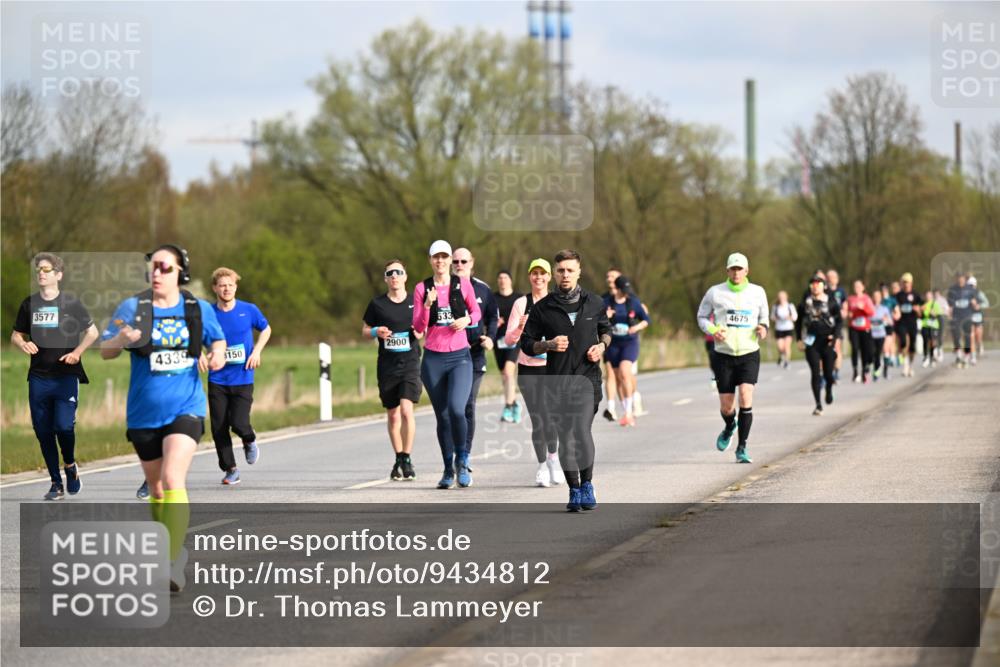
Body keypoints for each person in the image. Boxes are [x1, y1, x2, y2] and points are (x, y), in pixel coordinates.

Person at [101, 244, 226, 592]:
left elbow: (218, 343)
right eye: (152, 267)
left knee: (173, 478)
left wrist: (215, 358)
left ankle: (171, 561)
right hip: (143, 412)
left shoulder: (196, 309)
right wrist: (123, 339)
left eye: (163, 267)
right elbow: (106, 350)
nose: (156, 273)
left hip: (186, 406)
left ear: (180, 272)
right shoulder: (132, 308)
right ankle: (169, 551)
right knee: (156, 488)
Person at [520, 249, 611, 511]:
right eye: (561, 270)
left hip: (587, 379)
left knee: (581, 431)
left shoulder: (594, 303)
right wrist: (547, 344)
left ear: (579, 271)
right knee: (566, 436)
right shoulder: (542, 308)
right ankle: (573, 490)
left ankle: (587, 485)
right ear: (554, 273)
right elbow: (526, 344)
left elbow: (605, 331)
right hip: (557, 382)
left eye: (570, 270)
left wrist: (601, 347)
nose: (565, 274)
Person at [11, 253, 100, 500]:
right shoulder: (29, 304)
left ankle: (70, 465)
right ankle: (55, 483)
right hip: (38, 377)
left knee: (63, 426)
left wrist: (77, 352)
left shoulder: (71, 303)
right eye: (39, 269)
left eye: (47, 269)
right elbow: (16, 335)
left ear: (58, 275)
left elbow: (92, 332)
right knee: (43, 431)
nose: (41, 273)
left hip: (65, 375)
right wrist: (23, 344)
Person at [412, 240, 481, 490]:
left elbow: (476, 313)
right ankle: (447, 468)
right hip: (433, 359)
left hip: (460, 357)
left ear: (450, 260)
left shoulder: (462, 284)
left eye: (444, 257)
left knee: (456, 410)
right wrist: (428, 305)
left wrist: (466, 320)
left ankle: (462, 461)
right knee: (442, 416)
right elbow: (419, 329)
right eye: (436, 257)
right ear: (430, 260)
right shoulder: (422, 288)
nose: (440, 261)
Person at [696, 252, 769, 463]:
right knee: (727, 407)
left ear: (747, 271)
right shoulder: (715, 293)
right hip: (724, 354)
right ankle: (730, 425)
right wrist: (712, 329)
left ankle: (742, 448)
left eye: (740, 269)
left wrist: (763, 328)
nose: (736, 273)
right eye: (733, 269)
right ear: (727, 271)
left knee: (746, 397)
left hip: (749, 353)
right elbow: (701, 317)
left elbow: (764, 318)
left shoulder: (757, 292)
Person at [504, 258, 564, 487]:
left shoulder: (557, 303)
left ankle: (553, 459)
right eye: (534, 273)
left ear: (550, 277)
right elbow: (509, 340)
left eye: (543, 273)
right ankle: (541, 466)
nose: (538, 277)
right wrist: (520, 326)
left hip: (553, 368)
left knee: (552, 419)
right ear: (529, 276)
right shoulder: (521, 303)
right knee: (539, 419)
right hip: (529, 369)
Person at [208, 267, 271, 485]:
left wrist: (257, 351)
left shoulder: (248, 309)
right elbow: (195, 333)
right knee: (218, 427)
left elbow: (266, 329)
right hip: (217, 378)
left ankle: (249, 438)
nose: (226, 289)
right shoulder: (209, 312)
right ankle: (231, 469)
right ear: (215, 288)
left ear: (236, 287)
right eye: (222, 285)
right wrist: (200, 353)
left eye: (230, 285)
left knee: (238, 422)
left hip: (243, 377)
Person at [363, 259, 422, 481]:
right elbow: (365, 329)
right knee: (393, 414)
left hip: (410, 364)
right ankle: (398, 456)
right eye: (390, 273)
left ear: (405, 276)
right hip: (387, 366)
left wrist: (419, 332)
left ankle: (407, 457)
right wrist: (375, 331)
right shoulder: (377, 304)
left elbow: (424, 325)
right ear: (386, 279)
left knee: (407, 410)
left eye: (399, 272)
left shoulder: (415, 303)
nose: (395, 276)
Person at [452, 247, 498, 484]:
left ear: (472, 263)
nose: (459, 264)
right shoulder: (442, 288)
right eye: (455, 261)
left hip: (474, 355)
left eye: (463, 261)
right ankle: (450, 458)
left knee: (467, 405)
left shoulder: (483, 289)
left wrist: (490, 337)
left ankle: (464, 458)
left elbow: (492, 317)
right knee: (451, 409)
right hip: (449, 355)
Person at [603, 275, 649, 427]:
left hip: (630, 343)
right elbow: (596, 320)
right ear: (616, 289)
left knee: (624, 371)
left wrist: (636, 327)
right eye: (623, 290)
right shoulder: (607, 302)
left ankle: (629, 412)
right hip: (613, 343)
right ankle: (625, 411)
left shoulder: (633, 302)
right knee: (616, 377)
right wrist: (605, 316)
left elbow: (646, 320)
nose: (626, 293)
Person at [796, 272, 842, 415]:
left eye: (818, 284)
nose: (815, 287)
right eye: (813, 285)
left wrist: (834, 337)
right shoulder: (805, 303)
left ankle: (828, 388)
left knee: (828, 374)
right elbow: (798, 322)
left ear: (823, 286)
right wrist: (798, 339)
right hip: (811, 341)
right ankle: (818, 404)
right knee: (815, 373)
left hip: (827, 341)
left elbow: (839, 321)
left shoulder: (831, 301)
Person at [493, 270, 523, 423]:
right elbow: (487, 318)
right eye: (500, 277)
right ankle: (514, 403)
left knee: (508, 371)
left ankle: (508, 406)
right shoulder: (493, 298)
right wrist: (493, 323)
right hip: (499, 341)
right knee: (504, 375)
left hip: (514, 339)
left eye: (505, 277)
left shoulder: (519, 298)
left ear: (510, 280)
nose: (502, 280)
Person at [601, 267, 622, 422]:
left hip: (627, 342)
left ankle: (631, 398)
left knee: (623, 375)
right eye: (608, 276)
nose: (609, 279)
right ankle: (611, 408)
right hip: (609, 339)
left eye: (613, 276)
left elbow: (641, 312)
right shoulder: (603, 299)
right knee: (610, 374)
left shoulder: (628, 296)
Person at [845, 280, 876, 383]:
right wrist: (849, 315)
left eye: (859, 286)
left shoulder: (867, 298)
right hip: (853, 328)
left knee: (865, 350)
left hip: (865, 328)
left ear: (863, 287)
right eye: (855, 286)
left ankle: (864, 372)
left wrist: (864, 308)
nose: (857, 288)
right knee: (854, 348)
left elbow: (872, 313)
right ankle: (855, 371)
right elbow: (847, 312)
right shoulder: (850, 299)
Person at [895, 272, 924, 377]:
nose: (905, 284)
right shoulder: (898, 295)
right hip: (902, 322)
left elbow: (922, 309)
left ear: (911, 283)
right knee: (903, 342)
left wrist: (918, 310)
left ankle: (911, 365)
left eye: (907, 282)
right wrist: (895, 311)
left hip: (912, 322)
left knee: (912, 346)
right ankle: (905, 365)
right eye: (904, 282)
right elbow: (894, 307)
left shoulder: (916, 295)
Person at [947, 273, 977, 368]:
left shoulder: (970, 289)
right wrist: (950, 313)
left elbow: (975, 300)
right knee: (956, 334)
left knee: (967, 336)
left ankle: (967, 356)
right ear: (957, 279)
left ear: (965, 279)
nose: (960, 281)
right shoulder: (952, 290)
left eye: (962, 279)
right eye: (959, 279)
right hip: (956, 315)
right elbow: (950, 304)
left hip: (967, 315)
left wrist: (975, 304)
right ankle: (958, 354)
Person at [826, 269, 847, 381]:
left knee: (837, 347)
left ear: (837, 279)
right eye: (828, 277)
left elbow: (845, 305)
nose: (830, 279)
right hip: (825, 324)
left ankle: (837, 371)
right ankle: (827, 370)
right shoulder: (824, 290)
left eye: (833, 277)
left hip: (836, 323)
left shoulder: (841, 291)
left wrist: (844, 312)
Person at [770, 291, 797, 369]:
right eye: (780, 297)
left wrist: (789, 317)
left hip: (788, 328)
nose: (781, 298)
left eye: (783, 297)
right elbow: (772, 317)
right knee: (780, 347)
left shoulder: (790, 306)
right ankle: (781, 356)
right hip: (779, 328)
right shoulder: (776, 306)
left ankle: (787, 361)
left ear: (786, 297)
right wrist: (776, 318)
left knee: (786, 346)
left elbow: (795, 317)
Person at [870, 289, 891, 381]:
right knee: (874, 353)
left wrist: (886, 320)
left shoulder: (884, 309)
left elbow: (890, 322)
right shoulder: (870, 308)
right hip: (872, 334)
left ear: (881, 298)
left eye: (878, 297)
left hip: (881, 334)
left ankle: (885, 370)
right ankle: (876, 369)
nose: (876, 298)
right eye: (874, 297)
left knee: (883, 351)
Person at [969, 276, 989, 363]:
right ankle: (973, 356)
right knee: (971, 335)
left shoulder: (979, 293)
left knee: (978, 335)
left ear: (975, 285)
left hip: (978, 316)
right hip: (969, 316)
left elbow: (986, 303)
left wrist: (978, 306)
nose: (971, 287)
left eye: (972, 285)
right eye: (970, 285)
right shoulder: (966, 294)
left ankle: (980, 344)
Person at [920, 290, 942, 368]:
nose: (928, 297)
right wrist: (920, 310)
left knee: (933, 341)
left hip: (934, 326)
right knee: (925, 341)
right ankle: (926, 357)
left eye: (929, 295)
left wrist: (930, 311)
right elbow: (920, 315)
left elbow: (938, 314)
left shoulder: (935, 304)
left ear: (932, 296)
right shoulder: (923, 304)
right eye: (927, 295)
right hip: (925, 325)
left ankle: (933, 357)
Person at [879, 283, 898, 369]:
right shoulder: (879, 300)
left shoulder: (892, 300)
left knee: (890, 341)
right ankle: (887, 357)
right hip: (880, 324)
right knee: (885, 342)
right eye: (882, 290)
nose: (883, 292)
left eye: (884, 290)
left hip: (890, 324)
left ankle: (892, 357)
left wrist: (894, 316)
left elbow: (897, 311)